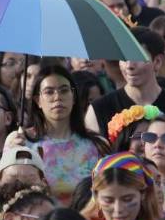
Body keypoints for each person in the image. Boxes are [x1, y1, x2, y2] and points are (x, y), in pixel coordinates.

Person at [18, 63, 110, 204]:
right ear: (38, 101)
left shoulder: (97, 145)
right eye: (49, 92)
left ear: (73, 97)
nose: (57, 97)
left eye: (64, 90)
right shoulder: (23, 143)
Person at [84, 27, 165, 139]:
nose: (129, 65)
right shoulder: (99, 110)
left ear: (157, 62)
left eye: (137, 57)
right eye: (123, 58)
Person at [81, 152, 164, 220]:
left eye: (128, 199)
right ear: (96, 196)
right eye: (108, 200)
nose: (118, 209)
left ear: (143, 194)